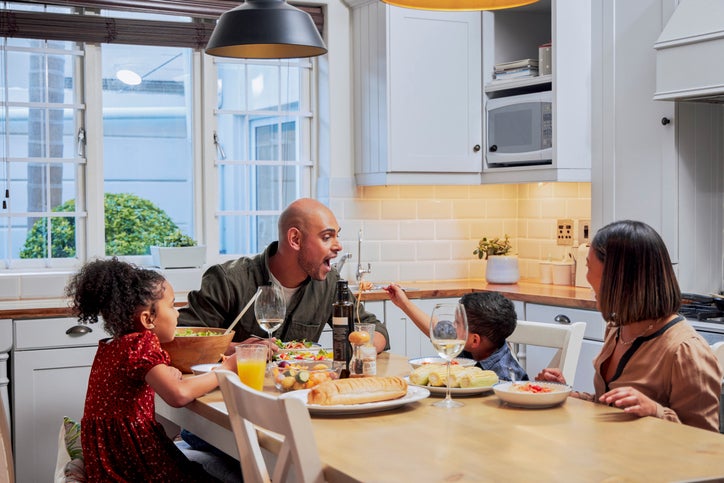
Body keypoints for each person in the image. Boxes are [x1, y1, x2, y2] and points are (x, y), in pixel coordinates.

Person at [536, 220, 721, 432]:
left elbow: (706, 443)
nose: (586, 278)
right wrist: (571, 394)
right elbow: (613, 407)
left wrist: (656, 411)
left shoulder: (686, 351)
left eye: (588, 267)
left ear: (618, 277)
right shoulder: (618, 328)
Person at [66, 258, 240, 482]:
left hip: (107, 458)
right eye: (171, 305)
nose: (177, 313)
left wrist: (168, 375)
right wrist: (225, 370)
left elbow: (139, 384)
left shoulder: (113, 345)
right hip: (133, 459)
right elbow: (178, 395)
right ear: (148, 319)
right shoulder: (141, 343)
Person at [178, 197, 389, 354]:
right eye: (327, 237)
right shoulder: (228, 280)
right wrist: (237, 349)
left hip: (297, 391)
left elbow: (375, 329)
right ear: (295, 239)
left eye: (337, 235)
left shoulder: (330, 284)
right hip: (233, 396)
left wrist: (364, 349)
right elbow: (179, 339)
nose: (339, 246)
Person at [385, 286, 527, 381]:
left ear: (475, 341)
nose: (451, 326)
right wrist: (403, 303)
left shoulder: (505, 377)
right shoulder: (467, 342)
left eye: (457, 323)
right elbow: (435, 328)